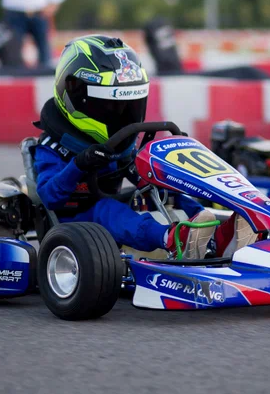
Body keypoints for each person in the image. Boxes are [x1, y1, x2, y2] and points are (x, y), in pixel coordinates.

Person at [32, 35, 256, 259]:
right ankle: (171, 239)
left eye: (127, 107)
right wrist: (79, 164)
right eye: (111, 107)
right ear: (76, 96)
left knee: (164, 191)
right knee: (107, 209)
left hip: (107, 208)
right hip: (74, 222)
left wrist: (165, 178)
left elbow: (140, 178)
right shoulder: (52, 145)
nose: (121, 115)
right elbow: (50, 197)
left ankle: (214, 235)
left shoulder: (117, 143)